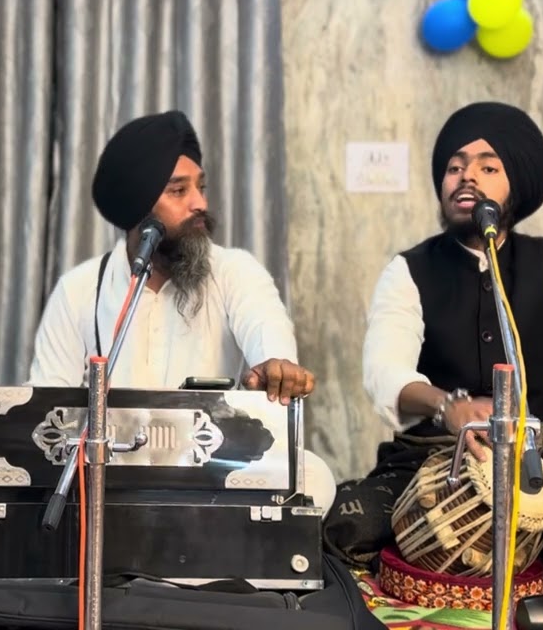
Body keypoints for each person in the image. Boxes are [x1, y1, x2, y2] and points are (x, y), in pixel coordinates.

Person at [323, 100, 543, 570]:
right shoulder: (408, 271)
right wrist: (446, 406)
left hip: (539, 464)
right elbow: (384, 371)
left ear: (515, 188)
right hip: (433, 460)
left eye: (487, 166)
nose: (465, 176)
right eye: (454, 167)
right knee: (350, 529)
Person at [28, 110, 337, 514]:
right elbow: (46, 408)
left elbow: (267, 332)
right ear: (139, 209)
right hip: (111, 475)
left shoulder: (234, 271)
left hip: (215, 473)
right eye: (179, 191)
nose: (200, 204)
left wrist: (276, 366)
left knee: (315, 479)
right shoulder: (80, 289)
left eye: (201, 187)